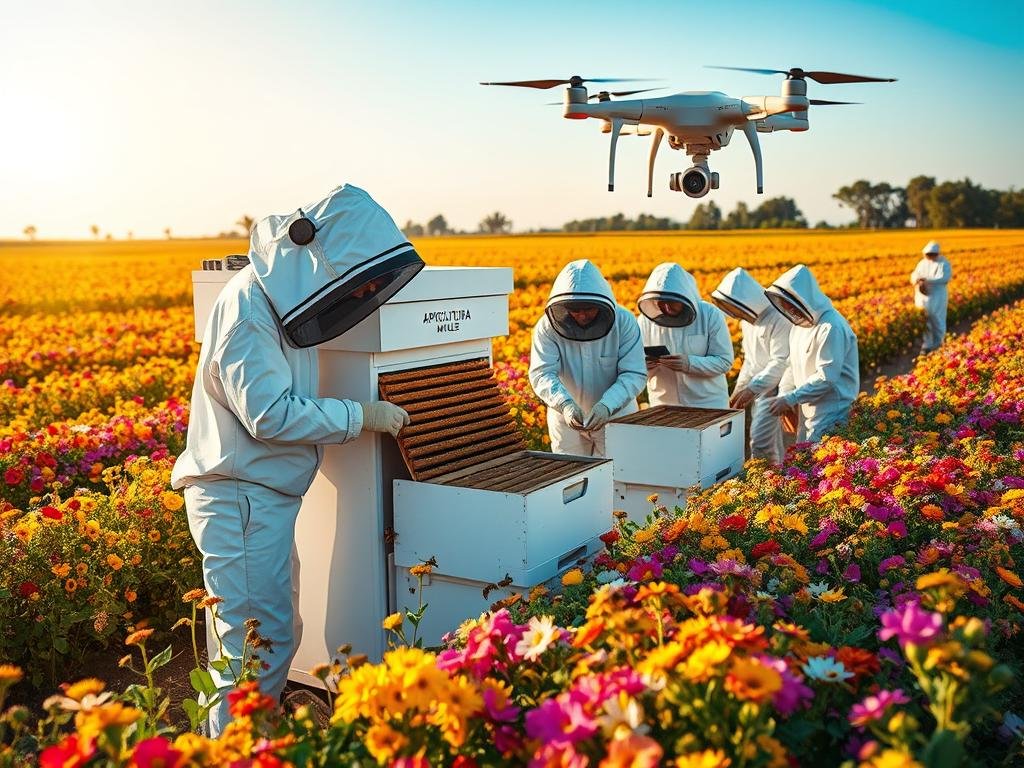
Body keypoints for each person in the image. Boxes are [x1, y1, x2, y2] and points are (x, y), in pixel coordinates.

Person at [171, 184, 423, 736]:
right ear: (315, 259)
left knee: (269, 632)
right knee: (253, 642)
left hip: (256, 498)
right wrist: (360, 417)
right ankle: (236, 749)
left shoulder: (270, 300)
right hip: (238, 496)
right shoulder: (248, 312)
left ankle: (251, 741)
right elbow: (270, 415)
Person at [529, 259, 646, 456]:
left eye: (588, 309)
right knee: (570, 478)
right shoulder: (547, 327)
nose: (582, 316)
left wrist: (607, 405)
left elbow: (634, 373)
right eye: (575, 310)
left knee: (618, 478)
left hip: (616, 416)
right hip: (566, 421)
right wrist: (564, 404)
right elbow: (542, 373)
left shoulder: (624, 322)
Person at [762, 264, 859, 444]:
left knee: (819, 462)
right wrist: (785, 396)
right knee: (804, 460)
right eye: (786, 308)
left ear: (803, 300)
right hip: (808, 408)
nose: (790, 312)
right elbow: (792, 365)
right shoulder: (800, 327)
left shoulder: (831, 327)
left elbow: (826, 378)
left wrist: (791, 398)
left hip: (833, 411)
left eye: (791, 307)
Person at [711, 267, 790, 463]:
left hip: (776, 388)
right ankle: (777, 476)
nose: (733, 313)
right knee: (769, 440)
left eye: (733, 307)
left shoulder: (778, 318)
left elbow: (780, 361)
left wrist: (751, 389)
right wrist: (740, 389)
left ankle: (768, 480)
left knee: (762, 440)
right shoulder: (748, 321)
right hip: (759, 385)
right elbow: (751, 361)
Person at [638, 262, 733, 409]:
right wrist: (644, 365)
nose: (667, 307)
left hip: (708, 404)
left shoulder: (709, 314)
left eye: (672, 302)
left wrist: (690, 364)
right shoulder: (645, 320)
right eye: (661, 302)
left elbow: (724, 361)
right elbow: (634, 362)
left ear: (685, 296)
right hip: (663, 404)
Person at [911, 240, 952, 353]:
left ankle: (939, 344)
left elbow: (945, 278)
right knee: (925, 321)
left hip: (937, 297)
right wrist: (917, 280)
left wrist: (927, 280)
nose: (929, 257)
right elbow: (914, 275)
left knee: (937, 320)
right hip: (923, 298)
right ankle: (927, 345)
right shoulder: (922, 263)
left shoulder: (944, 263)